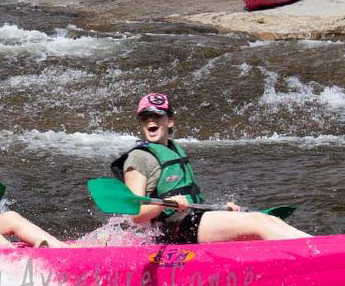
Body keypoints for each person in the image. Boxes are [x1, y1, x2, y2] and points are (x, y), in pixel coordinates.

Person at [110, 94, 310, 244]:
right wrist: (165, 204)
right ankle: (317, 257)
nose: (151, 121)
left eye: (157, 115)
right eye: (145, 117)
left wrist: (222, 209)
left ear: (170, 121)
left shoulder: (173, 149)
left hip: (191, 220)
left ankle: (323, 247)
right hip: (173, 230)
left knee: (267, 219)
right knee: (259, 224)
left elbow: (192, 201)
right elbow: (136, 214)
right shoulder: (138, 158)